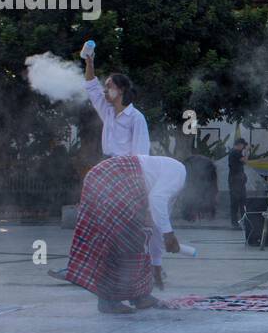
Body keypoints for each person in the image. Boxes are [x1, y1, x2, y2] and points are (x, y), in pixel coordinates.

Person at [50, 47, 157, 284]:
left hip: (126, 173)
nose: (105, 89)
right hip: (108, 169)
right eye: (106, 85)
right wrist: (89, 61)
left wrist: (139, 189)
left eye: (109, 85)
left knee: (123, 227)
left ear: (120, 91)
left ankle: (132, 274)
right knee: (92, 220)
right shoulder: (108, 111)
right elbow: (91, 86)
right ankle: (79, 268)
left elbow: (141, 155)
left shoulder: (136, 118)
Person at [63, 154, 187, 313]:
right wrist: (169, 235)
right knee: (121, 239)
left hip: (105, 176)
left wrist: (156, 265)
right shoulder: (179, 173)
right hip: (112, 177)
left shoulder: (169, 187)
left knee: (138, 237)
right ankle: (108, 301)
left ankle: (140, 296)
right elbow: (157, 200)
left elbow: (156, 225)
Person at [228, 140, 249, 229]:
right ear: (239, 145)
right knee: (237, 202)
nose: (243, 148)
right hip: (235, 181)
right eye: (243, 146)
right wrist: (247, 151)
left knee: (241, 202)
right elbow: (245, 160)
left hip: (237, 181)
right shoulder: (235, 152)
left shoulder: (235, 152)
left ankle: (240, 221)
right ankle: (236, 222)